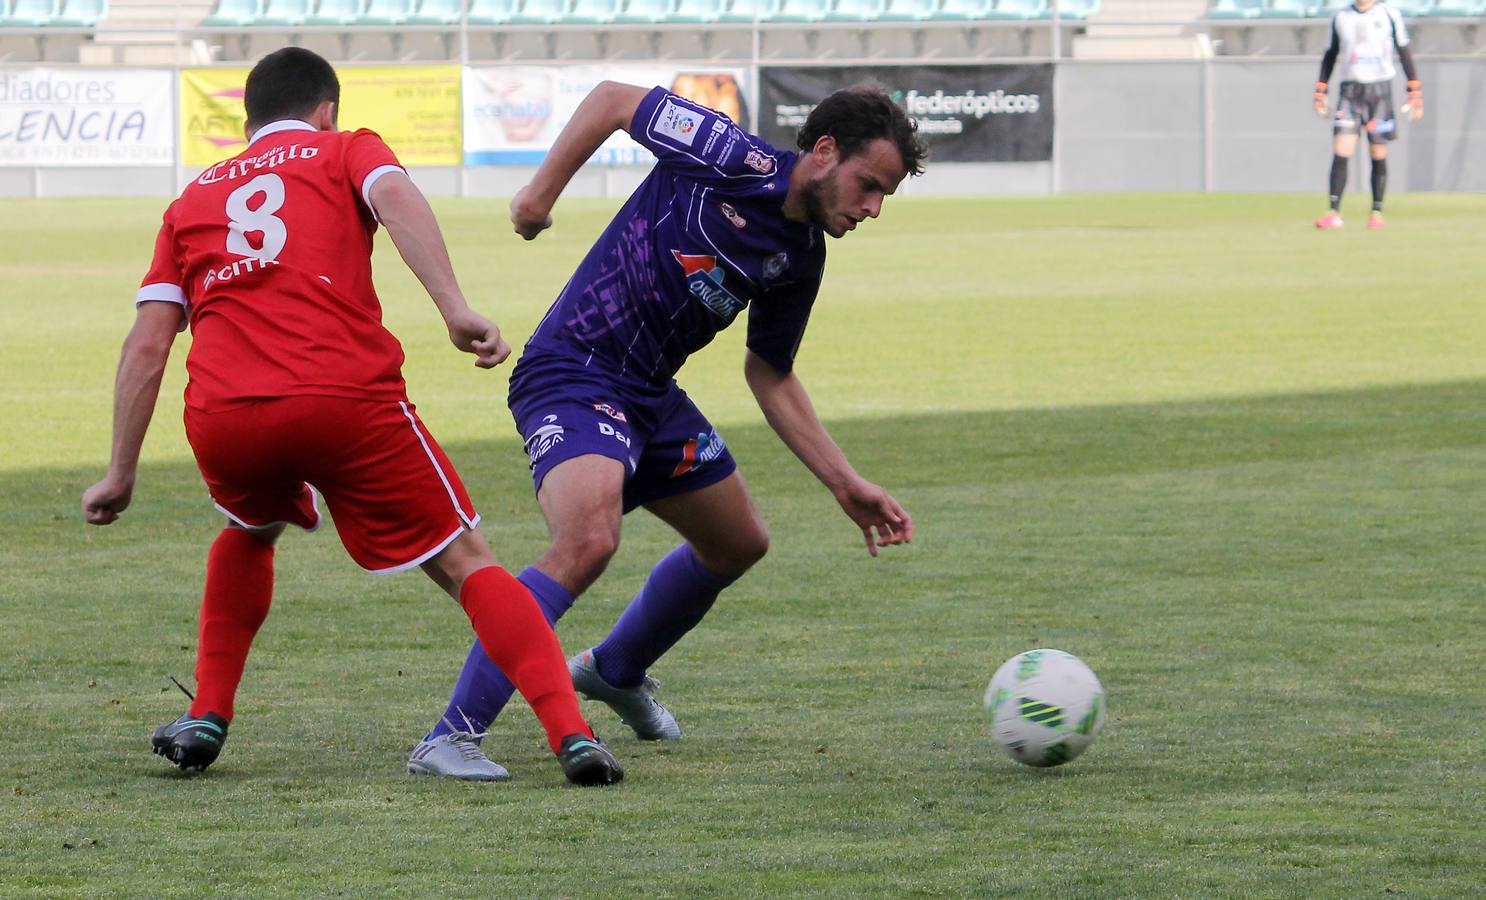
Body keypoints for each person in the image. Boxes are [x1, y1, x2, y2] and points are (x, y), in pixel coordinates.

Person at [81, 47, 622, 786]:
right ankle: (572, 734)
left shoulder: (192, 199)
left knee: (250, 527)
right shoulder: (346, 148)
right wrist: (454, 308)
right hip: (343, 397)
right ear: (325, 109)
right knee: (467, 561)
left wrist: (119, 471)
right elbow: (395, 198)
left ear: (248, 121)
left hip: (227, 414)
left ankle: (208, 712)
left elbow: (148, 344)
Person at [407, 80, 925, 780]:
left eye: (884, 195)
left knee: (738, 541)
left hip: (650, 394)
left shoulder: (801, 256)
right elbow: (614, 100)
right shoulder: (727, 155)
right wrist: (540, 196)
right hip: (574, 370)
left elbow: (770, 374)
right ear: (825, 151)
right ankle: (451, 736)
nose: (872, 208)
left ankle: (615, 671)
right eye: (869, 185)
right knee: (588, 540)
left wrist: (845, 483)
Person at [1312, 0, 1423, 231]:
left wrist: (1413, 87)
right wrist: (1321, 88)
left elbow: (1403, 51)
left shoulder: (1389, 15)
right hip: (1350, 91)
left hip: (1379, 92)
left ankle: (1376, 212)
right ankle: (1333, 212)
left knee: (1378, 152)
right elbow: (1331, 54)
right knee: (1342, 150)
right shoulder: (1341, 17)